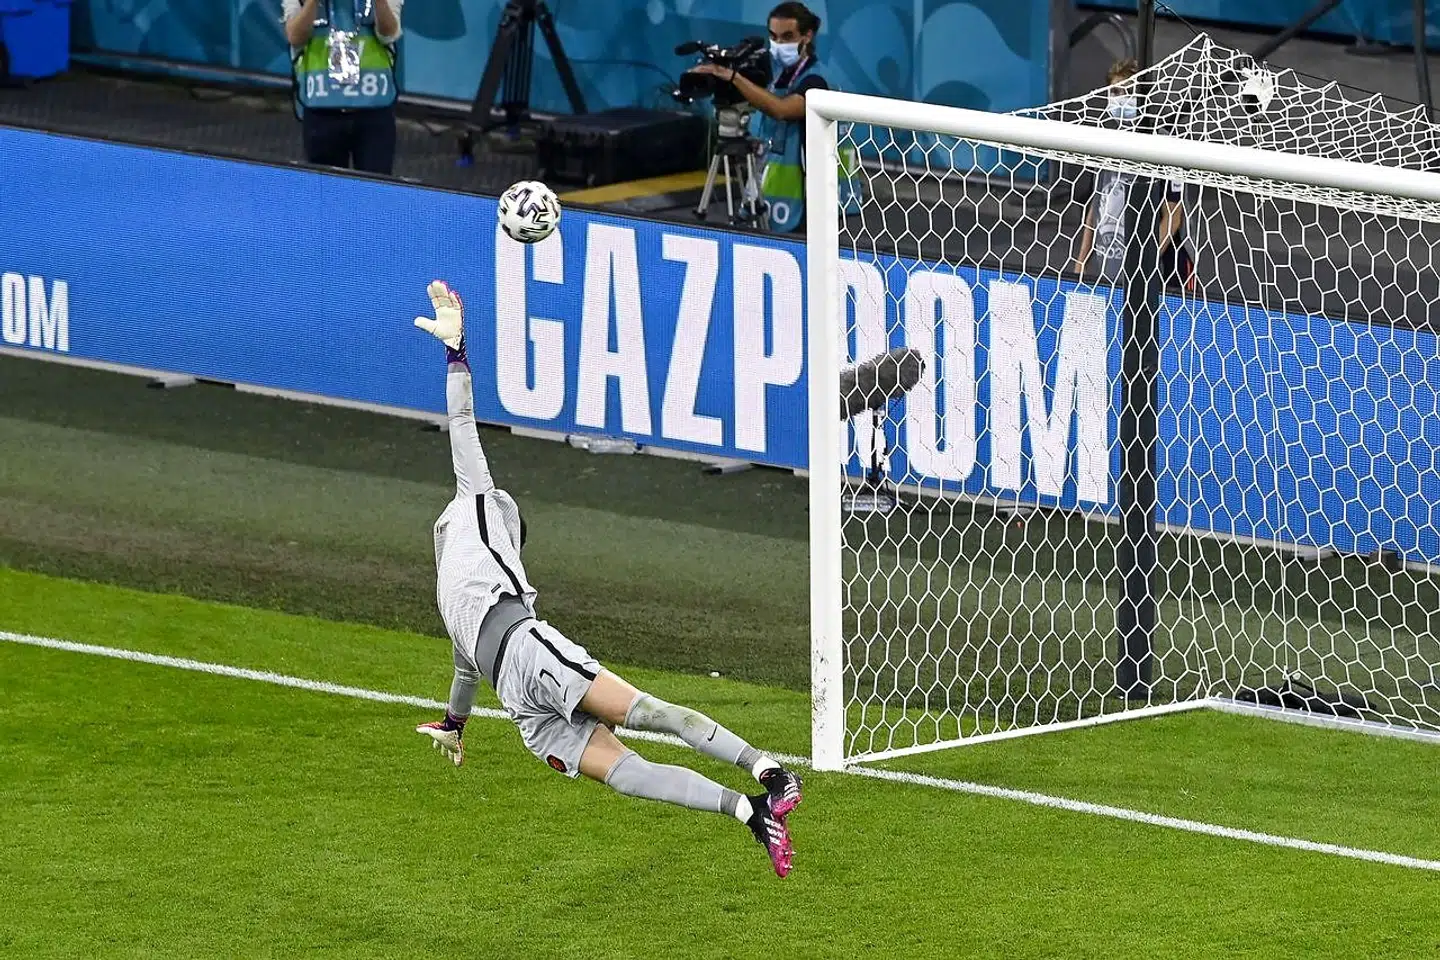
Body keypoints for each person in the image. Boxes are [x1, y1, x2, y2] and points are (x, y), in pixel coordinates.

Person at [409, 280, 803, 878]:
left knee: (645, 714)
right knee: (629, 777)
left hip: (529, 650)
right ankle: (750, 811)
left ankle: (770, 771)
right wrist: (454, 725)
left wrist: (456, 353)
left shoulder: (477, 500)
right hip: (521, 705)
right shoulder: (448, 590)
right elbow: (465, 670)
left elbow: (461, 419)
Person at [687, 1, 857, 233]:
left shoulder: (816, 80)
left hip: (810, 202)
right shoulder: (780, 74)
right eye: (774, 36)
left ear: (807, 36)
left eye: (787, 37)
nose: (779, 44)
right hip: (781, 195)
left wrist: (733, 77)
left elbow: (781, 110)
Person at [1071, 59, 1196, 291]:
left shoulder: (1165, 146)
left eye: (1128, 91)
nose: (1120, 98)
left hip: (1164, 272)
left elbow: (1173, 217)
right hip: (1112, 268)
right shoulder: (1106, 145)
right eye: (1115, 92)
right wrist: (1081, 261)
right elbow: (1096, 206)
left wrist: (1142, 264)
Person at [283, 0, 402, 175]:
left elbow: (389, 33)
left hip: (374, 111)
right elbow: (295, 37)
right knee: (327, 187)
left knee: (376, 186)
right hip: (322, 112)